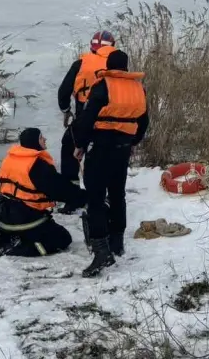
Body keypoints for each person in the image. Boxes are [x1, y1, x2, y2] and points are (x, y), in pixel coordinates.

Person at [72, 49, 149, 277]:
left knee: (95, 198)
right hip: (122, 149)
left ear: (108, 65)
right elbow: (144, 121)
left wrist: (80, 145)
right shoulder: (138, 88)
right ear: (126, 67)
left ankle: (101, 251)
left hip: (101, 147)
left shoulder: (103, 85)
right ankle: (117, 243)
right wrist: (132, 140)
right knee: (117, 195)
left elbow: (87, 119)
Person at [0, 128, 87, 257]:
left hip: (5, 217)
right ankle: (18, 249)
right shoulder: (36, 165)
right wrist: (85, 197)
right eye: (42, 138)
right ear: (34, 142)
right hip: (27, 219)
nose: (45, 139)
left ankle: (4, 238)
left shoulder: (10, 159)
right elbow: (60, 189)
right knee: (63, 238)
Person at [56, 30, 118, 213]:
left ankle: (71, 196)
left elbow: (63, 91)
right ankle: (105, 194)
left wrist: (66, 110)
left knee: (69, 147)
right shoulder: (116, 64)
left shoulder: (81, 63)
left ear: (92, 47)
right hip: (111, 121)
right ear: (112, 46)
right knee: (104, 156)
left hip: (84, 116)